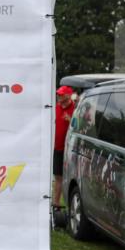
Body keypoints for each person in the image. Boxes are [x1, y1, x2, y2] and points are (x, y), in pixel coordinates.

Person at [53, 86, 77, 219]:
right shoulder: (55, 108)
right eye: (58, 95)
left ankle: (69, 208)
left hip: (69, 150)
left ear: (68, 96)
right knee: (58, 177)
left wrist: (72, 121)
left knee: (68, 178)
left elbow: (82, 125)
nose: (59, 97)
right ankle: (56, 205)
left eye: (61, 95)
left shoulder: (75, 109)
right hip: (57, 148)